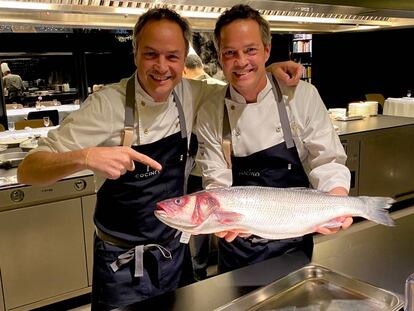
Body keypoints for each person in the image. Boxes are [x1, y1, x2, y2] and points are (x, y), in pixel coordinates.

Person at [17, 7, 303, 310]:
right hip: (121, 265)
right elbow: (29, 170)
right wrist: (86, 157)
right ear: (135, 52)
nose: (162, 67)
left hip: (175, 257)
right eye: (151, 54)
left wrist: (267, 70)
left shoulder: (190, 94)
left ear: (183, 60)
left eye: (172, 57)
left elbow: (241, 83)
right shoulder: (106, 106)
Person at [196, 4, 353, 274]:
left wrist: (336, 201)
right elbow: (216, 180)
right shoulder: (210, 109)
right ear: (220, 57)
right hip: (238, 247)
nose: (241, 61)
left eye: (250, 50)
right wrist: (221, 219)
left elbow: (327, 159)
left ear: (267, 51)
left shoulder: (301, 96)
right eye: (230, 53)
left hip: (294, 237)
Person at [183, 54, 225, 280]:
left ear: (184, 70)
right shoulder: (222, 87)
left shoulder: (186, 90)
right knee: (222, 217)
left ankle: (198, 270)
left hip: (198, 168)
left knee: (198, 222)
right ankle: (218, 262)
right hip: (222, 164)